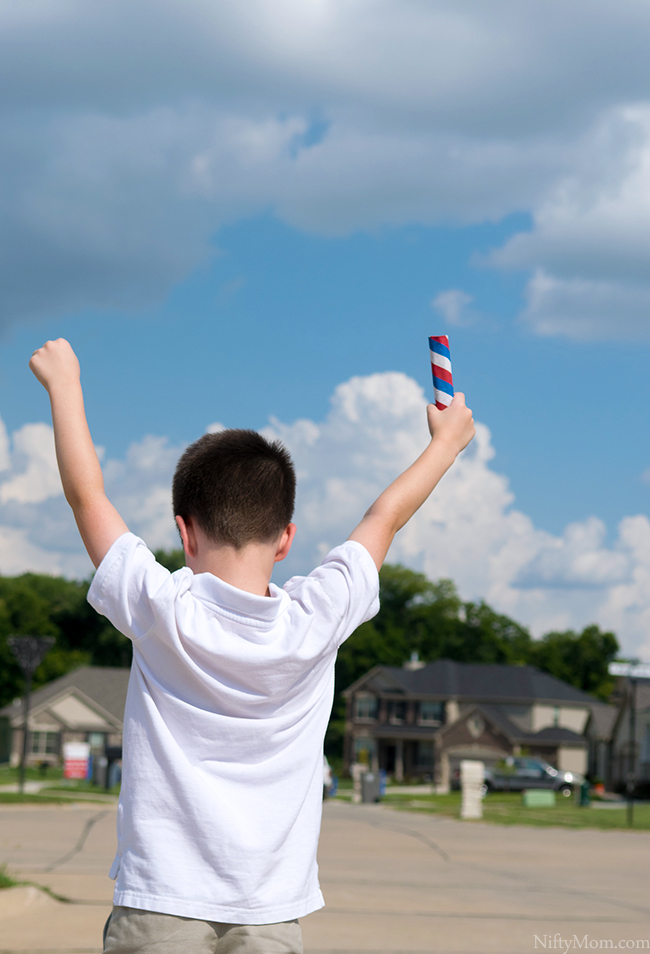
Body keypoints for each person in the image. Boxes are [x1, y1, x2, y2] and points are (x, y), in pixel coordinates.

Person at [29, 338, 475, 954]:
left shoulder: (162, 610)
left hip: (160, 899)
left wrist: (64, 385)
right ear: (286, 538)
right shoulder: (316, 617)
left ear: (184, 532)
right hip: (270, 908)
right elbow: (384, 517)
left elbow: (88, 497)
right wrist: (445, 444)